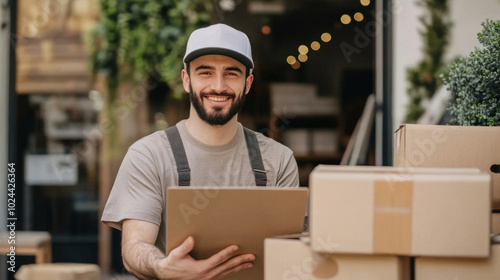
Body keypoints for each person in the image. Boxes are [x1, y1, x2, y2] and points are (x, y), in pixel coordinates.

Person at [101, 23, 299, 279]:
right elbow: (135, 246)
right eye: (205, 72)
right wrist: (162, 267)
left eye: (232, 73)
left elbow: (291, 254)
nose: (219, 86)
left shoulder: (278, 160)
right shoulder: (148, 155)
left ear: (247, 83)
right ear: (186, 80)